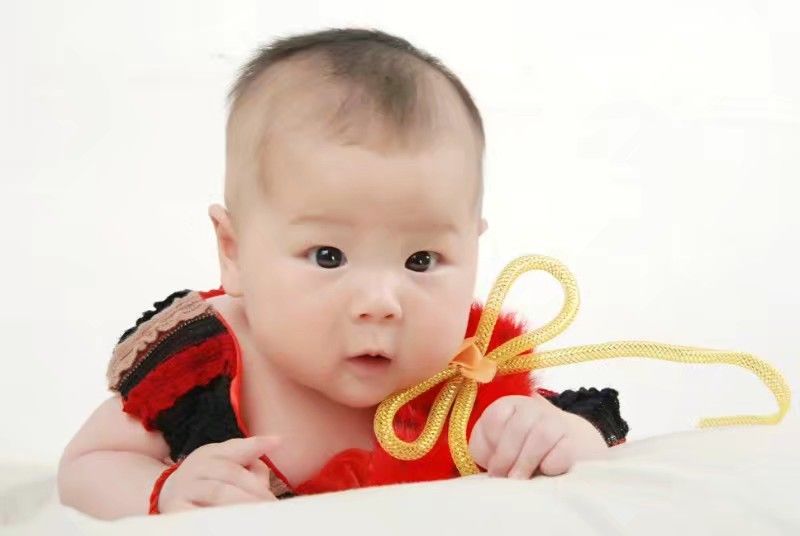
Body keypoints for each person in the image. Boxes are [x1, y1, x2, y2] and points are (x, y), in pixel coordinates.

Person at [57, 28, 629, 520]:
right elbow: (88, 464)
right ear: (234, 253)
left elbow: (595, 430)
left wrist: (557, 434)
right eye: (328, 256)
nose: (380, 302)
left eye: (421, 261)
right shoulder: (208, 363)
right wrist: (163, 492)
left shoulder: (461, 377)